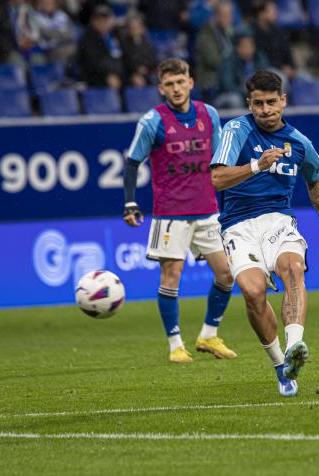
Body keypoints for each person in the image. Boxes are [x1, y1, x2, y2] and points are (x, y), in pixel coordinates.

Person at [210, 70, 319, 397]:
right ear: (249, 104)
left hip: (278, 220)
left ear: (283, 101)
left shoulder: (299, 143)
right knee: (253, 293)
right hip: (238, 224)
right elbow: (217, 179)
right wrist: (257, 165)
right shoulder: (236, 130)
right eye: (258, 103)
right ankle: (280, 366)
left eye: (272, 102)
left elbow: (315, 181)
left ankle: (295, 345)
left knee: (293, 269)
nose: (266, 109)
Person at [123, 58, 237, 364]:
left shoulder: (209, 114)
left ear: (191, 82)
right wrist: (130, 202)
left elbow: (220, 161)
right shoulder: (153, 121)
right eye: (169, 84)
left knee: (226, 274)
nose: (176, 88)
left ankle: (208, 335)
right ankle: (175, 344)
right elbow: (133, 160)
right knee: (171, 275)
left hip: (207, 210)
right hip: (170, 213)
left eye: (180, 82)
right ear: (161, 88)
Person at [77, 5, 123, 89]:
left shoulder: (116, 36)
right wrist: (108, 75)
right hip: (96, 79)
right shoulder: (88, 38)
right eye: (99, 20)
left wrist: (119, 74)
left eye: (105, 20)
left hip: (119, 77)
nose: (103, 23)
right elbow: (93, 61)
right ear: (93, 21)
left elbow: (122, 57)